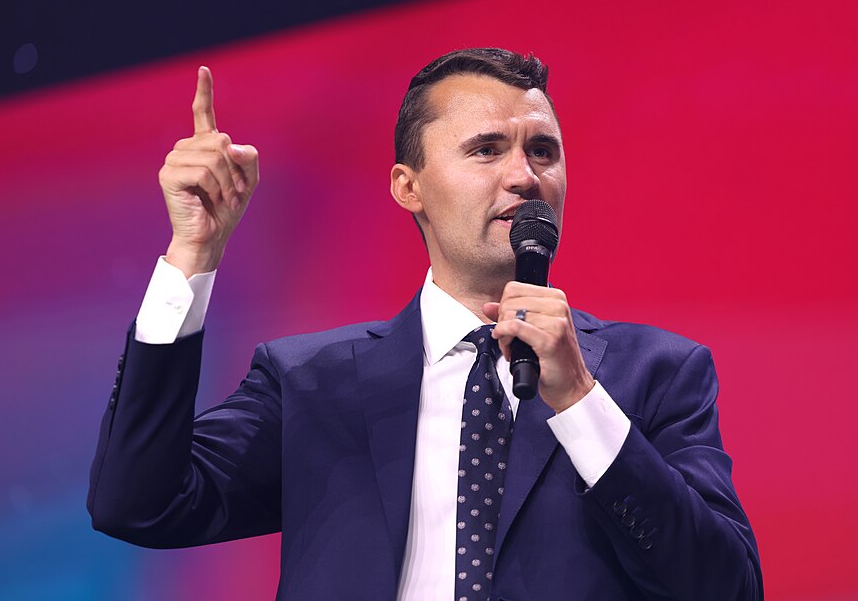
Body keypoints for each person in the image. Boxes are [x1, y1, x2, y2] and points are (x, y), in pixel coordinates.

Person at [88, 48, 762, 600]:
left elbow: (727, 588)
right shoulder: (311, 386)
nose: (524, 176)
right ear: (407, 186)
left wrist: (582, 402)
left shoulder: (654, 374)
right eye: (488, 148)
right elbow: (137, 502)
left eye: (544, 151)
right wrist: (191, 255)